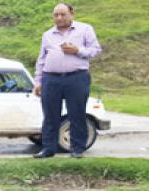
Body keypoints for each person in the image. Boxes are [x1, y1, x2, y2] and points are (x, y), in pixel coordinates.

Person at [33, 2, 101, 159]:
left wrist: (78, 50)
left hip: (76, 77)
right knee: (50, 115)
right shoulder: (47, 35)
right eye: (56, 15)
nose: (59, 18)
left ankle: (77, 149)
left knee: (77, 114)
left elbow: (95, 50)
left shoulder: (85, 29)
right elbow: (41, 60)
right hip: (51, 78)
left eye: (63, 14)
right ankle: (48, 148)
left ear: (72, 14)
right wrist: (38, 81)